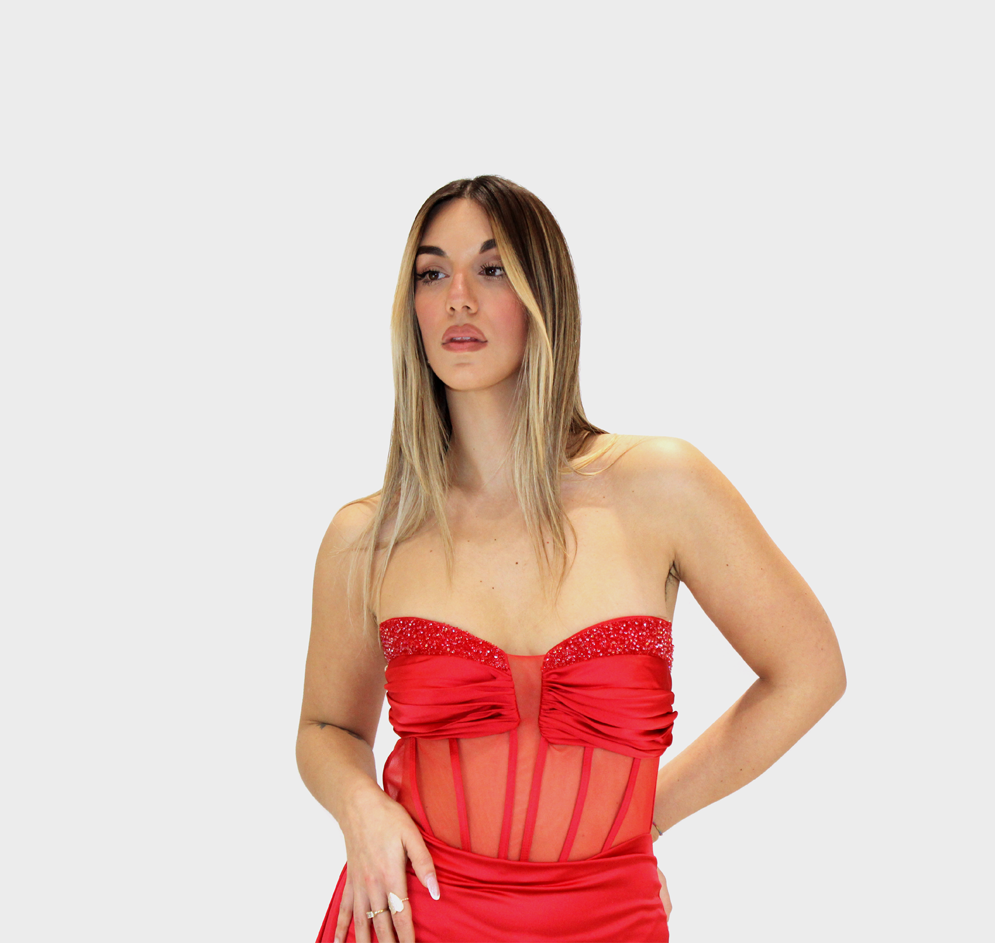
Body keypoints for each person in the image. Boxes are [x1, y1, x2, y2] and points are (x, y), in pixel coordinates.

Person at [296, 174, 846, 943]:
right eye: (432, 273)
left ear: (543, 294)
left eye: (492, 269)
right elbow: (326, 725)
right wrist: (361, 808)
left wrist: (648, 818)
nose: (458, 298)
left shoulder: (662, 485)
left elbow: (810, 671)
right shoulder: (368, 536)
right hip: (412, 916)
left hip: (609, 916)